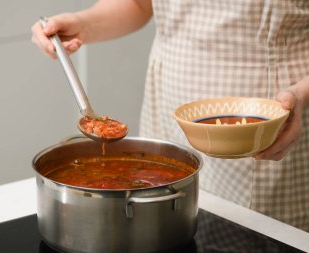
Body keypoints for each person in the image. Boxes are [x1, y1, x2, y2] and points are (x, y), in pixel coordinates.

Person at [31, 0, 309, 231]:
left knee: (255, 237)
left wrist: (300, 94)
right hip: (168, 111)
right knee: (162, 228)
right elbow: (140, 4)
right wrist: (82, 24)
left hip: (267, 119)